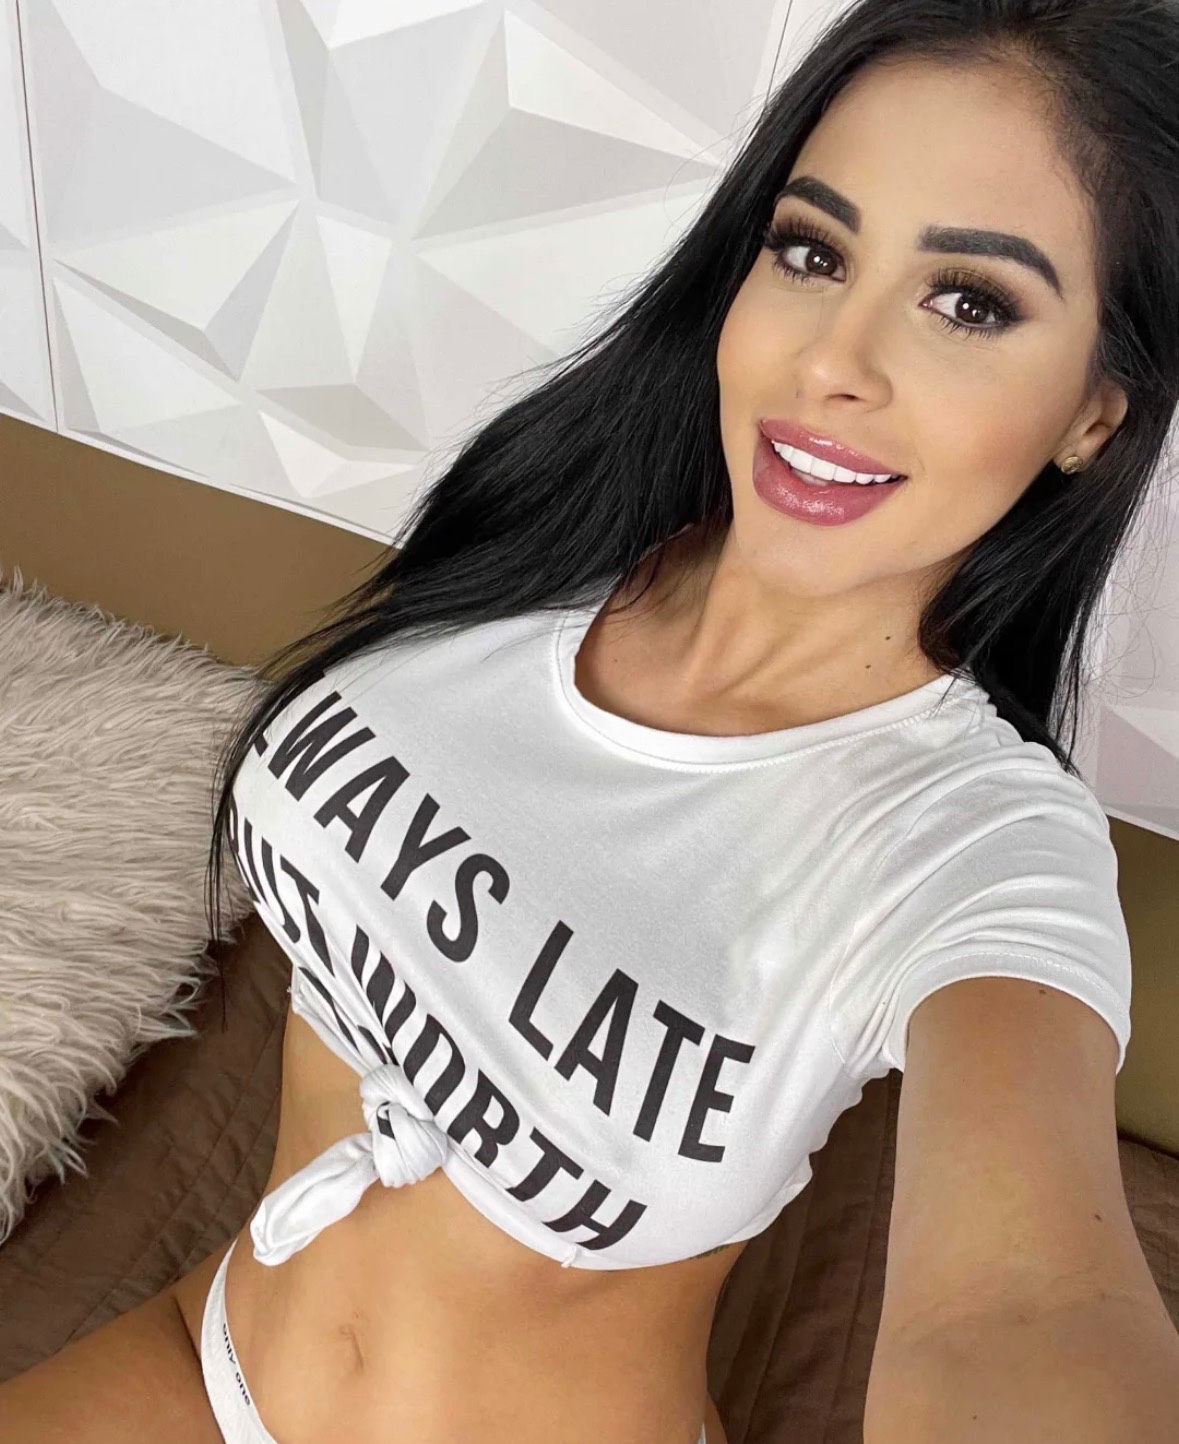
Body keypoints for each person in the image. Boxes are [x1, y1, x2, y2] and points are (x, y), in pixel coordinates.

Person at [4, 1, 1179, 1440]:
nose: (832, 361)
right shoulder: (549, 527)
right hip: (209, 1350)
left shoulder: (976, 847)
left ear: (1095, 415)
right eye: (812, 252)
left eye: (970, 304)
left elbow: (1025, 1317)